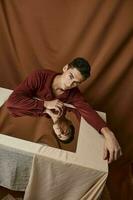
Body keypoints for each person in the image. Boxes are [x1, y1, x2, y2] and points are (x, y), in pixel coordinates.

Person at [6, 57, 122, 163]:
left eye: (76, 82)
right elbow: (12, 102)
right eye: (70, 76)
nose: (70, 84)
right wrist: (45, 104)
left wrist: (108, 134)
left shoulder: (74, 95)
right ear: (65, 68)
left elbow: (88, 113)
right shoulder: (39, 76)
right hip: (15, 121)